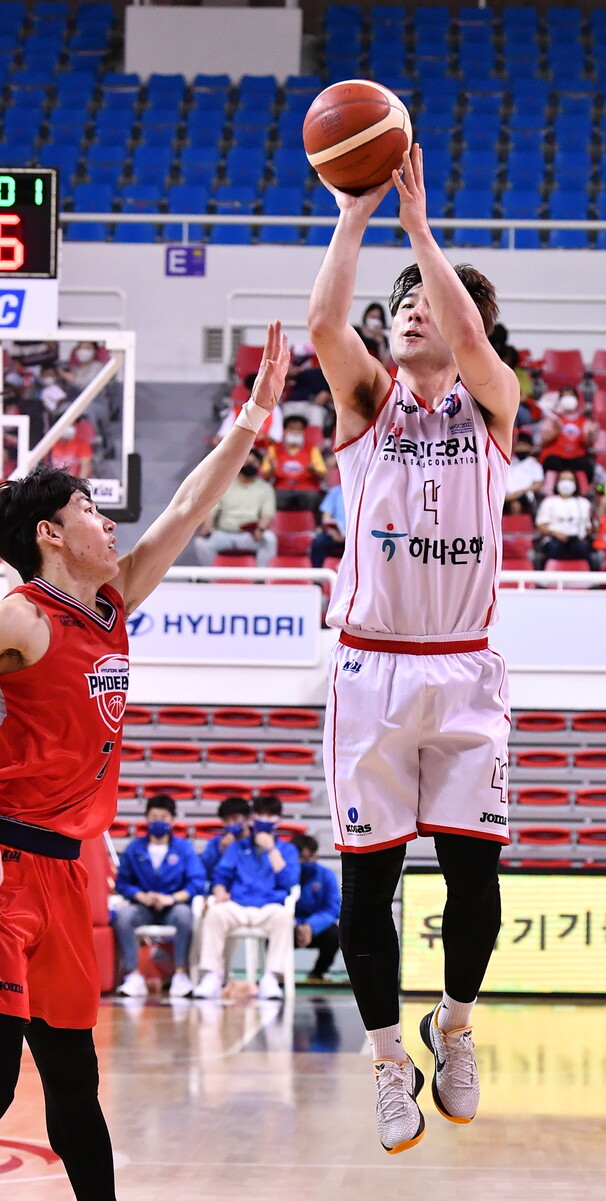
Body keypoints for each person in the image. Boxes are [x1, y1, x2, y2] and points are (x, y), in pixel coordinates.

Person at [0, 320, 289, 1201]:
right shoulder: (23, 617)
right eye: (89, 508)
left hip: (67, 870)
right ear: (50, 533)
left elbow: (187, 508)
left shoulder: (111, 600)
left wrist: (251, 419)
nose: (106, 515)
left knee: (75, 1085)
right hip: (6, 864)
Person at [307, 144, 519, 1154]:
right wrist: (355, 214)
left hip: (465, 666)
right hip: (372, 665)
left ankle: (455, 1026)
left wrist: (421, 231)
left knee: (474, 876)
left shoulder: (493, 402)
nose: (411, 310)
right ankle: (390, 1059)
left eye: (428, 301)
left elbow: (470, 333)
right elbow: (323, 326)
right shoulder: (367, 404)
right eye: (401, 302)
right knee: (369, 882)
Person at [194, 795, 301, 1001]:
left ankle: (271, 978)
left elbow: (290, 882)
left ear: (278, 820)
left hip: (269, 907)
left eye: (270, 816)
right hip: (238, 905)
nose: (264, 820)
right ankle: (213, 975)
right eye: (260, 815)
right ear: (252, 818)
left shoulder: (287, 849)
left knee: (284, 918)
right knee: (215, 913)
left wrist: (271, 850)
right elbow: (221, 875)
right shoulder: (237, 847)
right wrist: (219, 891)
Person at [114, 795, 206, 999]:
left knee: (185, 916)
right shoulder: (134, 848)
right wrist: (140, 895)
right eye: (154, 817)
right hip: (143, 907)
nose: (158, 821)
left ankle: (180, 974)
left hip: (172, 907)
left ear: (172, 820)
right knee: (124, 917)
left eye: (163, 817)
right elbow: (122, 882)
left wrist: (171, 899)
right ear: (147, 818)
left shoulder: (184, 848)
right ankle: (133, 975)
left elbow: (197, 882)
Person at [193, 447, 277, 568]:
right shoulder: (225, 485)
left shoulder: (265, 488)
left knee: (270, 539)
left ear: (259, 465)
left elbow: (267, 513)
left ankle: (261, 578)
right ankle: (210, 577)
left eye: (254, 462)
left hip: (249, 536)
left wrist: (260, 529)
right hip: (224, 534)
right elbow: (212, 510)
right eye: (247, 462)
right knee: (201, 543)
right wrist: (207, 527)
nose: (250, 465)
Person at [293, 834, 341, 984]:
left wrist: (311, 925)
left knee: (335, 934)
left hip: (317, 929)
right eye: (301, 858)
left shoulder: (327, 875)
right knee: (273, 931)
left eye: (309, 857)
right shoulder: (285, 876)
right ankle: (276, 972)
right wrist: (296, 924)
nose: (305, 862)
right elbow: (277, 904)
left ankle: (319, 972)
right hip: (290, 927)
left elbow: (333, 908)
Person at [264, 414, 327, 511]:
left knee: (312, 496)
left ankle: (310, 520)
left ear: (304, 431)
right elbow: (264, 477)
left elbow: (323, 476)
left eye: (299, 429)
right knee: (272, 496)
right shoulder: (274, 448)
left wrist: (313, 470)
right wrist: (272, 469)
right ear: (285, 430)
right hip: (282, 488)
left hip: (306, 488)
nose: (295, 432)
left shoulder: (312, 449)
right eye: (291, 429)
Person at [536, 469, 595, 564]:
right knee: (553, 547)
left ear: (575, 483)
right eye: (563, 479)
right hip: (554, 538)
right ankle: (545, 573)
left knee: (583, 548)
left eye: (570, 480)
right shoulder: (549, 502)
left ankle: (591, 573)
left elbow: (589, 527)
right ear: (557, 482)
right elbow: (541, 527)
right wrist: (555, 533)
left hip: (576, 539)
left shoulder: (584, 503)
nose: (566, 483)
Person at [539, 388, 596, 481]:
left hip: (576, 457)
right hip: (556, 457)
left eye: (570, 395)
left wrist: (591, 434)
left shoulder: (585, 421)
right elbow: (543, 441)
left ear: (577, 399)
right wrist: (557, 430)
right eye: (564, 396)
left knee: (586, 465)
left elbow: (588, 444)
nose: (568, 399)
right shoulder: (553, 418)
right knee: (551, 461)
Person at [201, 795, 252, 883]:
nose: (230, 823)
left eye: (235, 818)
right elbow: (205, 871)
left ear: (248, 819)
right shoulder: (215, 843)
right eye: (226, 820)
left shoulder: (257, 841)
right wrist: (221, 850)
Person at [310, 478, 347, 568]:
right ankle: (317, 575)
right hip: (336, 534)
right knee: (318, 543)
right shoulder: (335, 491)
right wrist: (333, 533)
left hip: (355, 536)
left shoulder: (363, 492)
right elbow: (326, 518)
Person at [504, 432, 543, 514]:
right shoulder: (508, 463)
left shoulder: (534, 465)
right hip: (506, 495)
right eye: (518, 445)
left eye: (524, 445)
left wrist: (518, 493)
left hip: (525, 495)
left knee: (516, 506)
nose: (521, 448)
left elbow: (537, 485)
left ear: (530, 447)